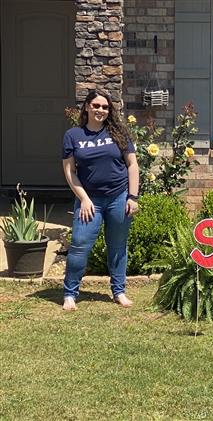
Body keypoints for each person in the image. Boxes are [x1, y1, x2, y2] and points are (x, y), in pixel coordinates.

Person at [61, 89, 139, 311]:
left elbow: (132, 165)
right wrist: (84, 199)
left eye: (105, 107)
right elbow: (70, 172)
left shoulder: (119, 132)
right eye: (96, 105)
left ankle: (119, 291)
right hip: (90, 200)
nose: (100, 110)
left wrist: (132, 197)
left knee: (118, 247)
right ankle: (70, 294)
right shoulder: (73, 135)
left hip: (119, 197)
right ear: (87, 107)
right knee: (79, 246)